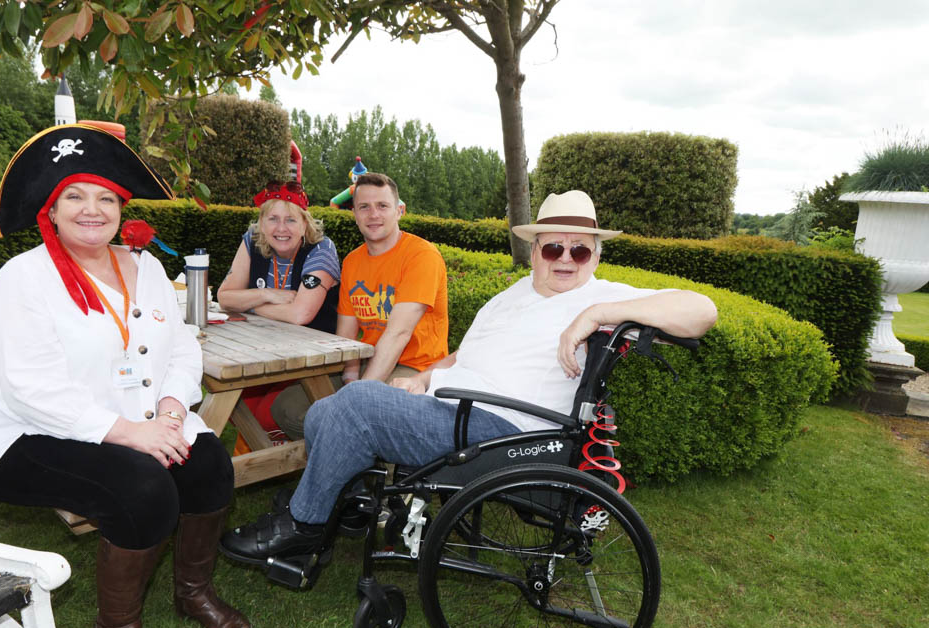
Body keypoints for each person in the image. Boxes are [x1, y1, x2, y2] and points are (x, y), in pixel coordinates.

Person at [221, 190, 718, 559]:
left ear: (596, 256)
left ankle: (305, 525)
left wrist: (592, 316)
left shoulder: (601, 296)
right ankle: (340, 501)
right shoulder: (511, 296)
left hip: (504, 432)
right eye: (553, 248)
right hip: (453, 406)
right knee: (325, 409)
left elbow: (702, 310)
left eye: (580, 250)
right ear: (534, 250)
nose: (565, 259)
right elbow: (461, 356)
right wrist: (423, 378)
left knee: (354, 403)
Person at [0, 124, 249, 628]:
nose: (91, 209)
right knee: (141, 486)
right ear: (50, 209)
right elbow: (30, 387)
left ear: (122, 207)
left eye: (105, 197)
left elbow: (180, 348)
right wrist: (127, 432)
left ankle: (193, 593)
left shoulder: (145, 268)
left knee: (211, 462)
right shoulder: (22, 278)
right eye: (74, 195)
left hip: (141, 422)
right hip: (29, 436)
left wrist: (172, 411)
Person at [266, 171, 449, 439]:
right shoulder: (352, 262)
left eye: (382, 206)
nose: (373, 214)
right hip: (369, 360)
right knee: (286, 407)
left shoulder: (421, 257)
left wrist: (356, 396)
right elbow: (347, 335)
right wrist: (350, 378)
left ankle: (367, 468)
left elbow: (398, 335)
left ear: (400, 211)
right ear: (355, 214)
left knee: (358, 415)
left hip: (413, 368)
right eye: (364, 207)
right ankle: (349, 460)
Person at [216, 182, 340, 442]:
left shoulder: (321, 249)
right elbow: (225, 297)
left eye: (291, 220)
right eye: (272, 218)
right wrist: (267, 294)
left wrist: (249, 303)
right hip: (264, 352)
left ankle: (282, 466)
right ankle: (257, 466)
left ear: (305, 224)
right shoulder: (252, 240)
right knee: (237, 403)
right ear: (261, 223)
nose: (281, 228)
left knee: (265, 415)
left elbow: (300, 315)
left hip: (313, 359)